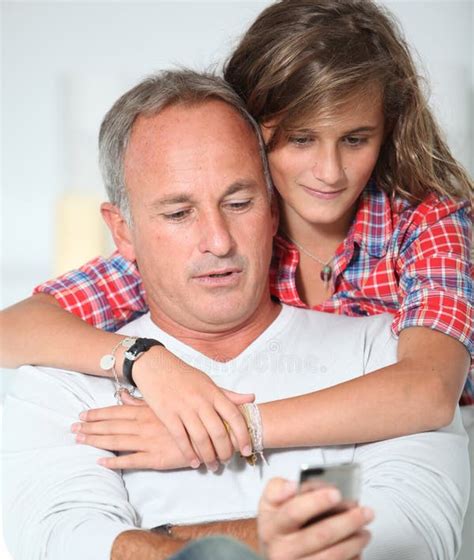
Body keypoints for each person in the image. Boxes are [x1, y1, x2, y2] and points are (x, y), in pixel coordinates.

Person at [2, 70, 469, 560]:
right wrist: (270, 549)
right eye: (177, 212)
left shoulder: (383, 357)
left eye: (239, 202)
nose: (216, 240)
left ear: (274, 205)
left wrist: (169, 556)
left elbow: (409, 541)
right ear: (124, 231)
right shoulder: (64, 380)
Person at [0, 0, 472, 473]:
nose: (330, 173)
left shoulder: (428, 223)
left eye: (355, 139)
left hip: (427, 464)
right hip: (287, 473)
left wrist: (230, 428)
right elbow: (12, 330)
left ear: (387, 131)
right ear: (252, 131)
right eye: (300, 139)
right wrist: (144, 360)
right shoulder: (230, 234)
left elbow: (429, 391)